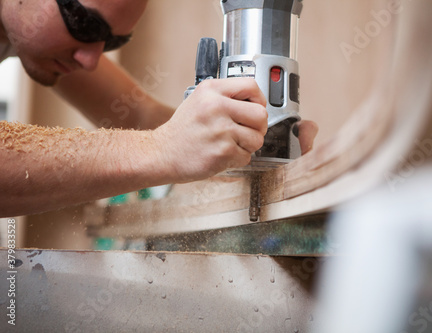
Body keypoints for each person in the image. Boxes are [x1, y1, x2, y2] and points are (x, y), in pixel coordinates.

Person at [0, 0, 318, 217]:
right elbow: (160, 141)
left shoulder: (50, 39)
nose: (92, 60)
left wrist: (243, 140)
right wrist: (163, 150)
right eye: (84, 24)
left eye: (111, 42)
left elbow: (141, 117)